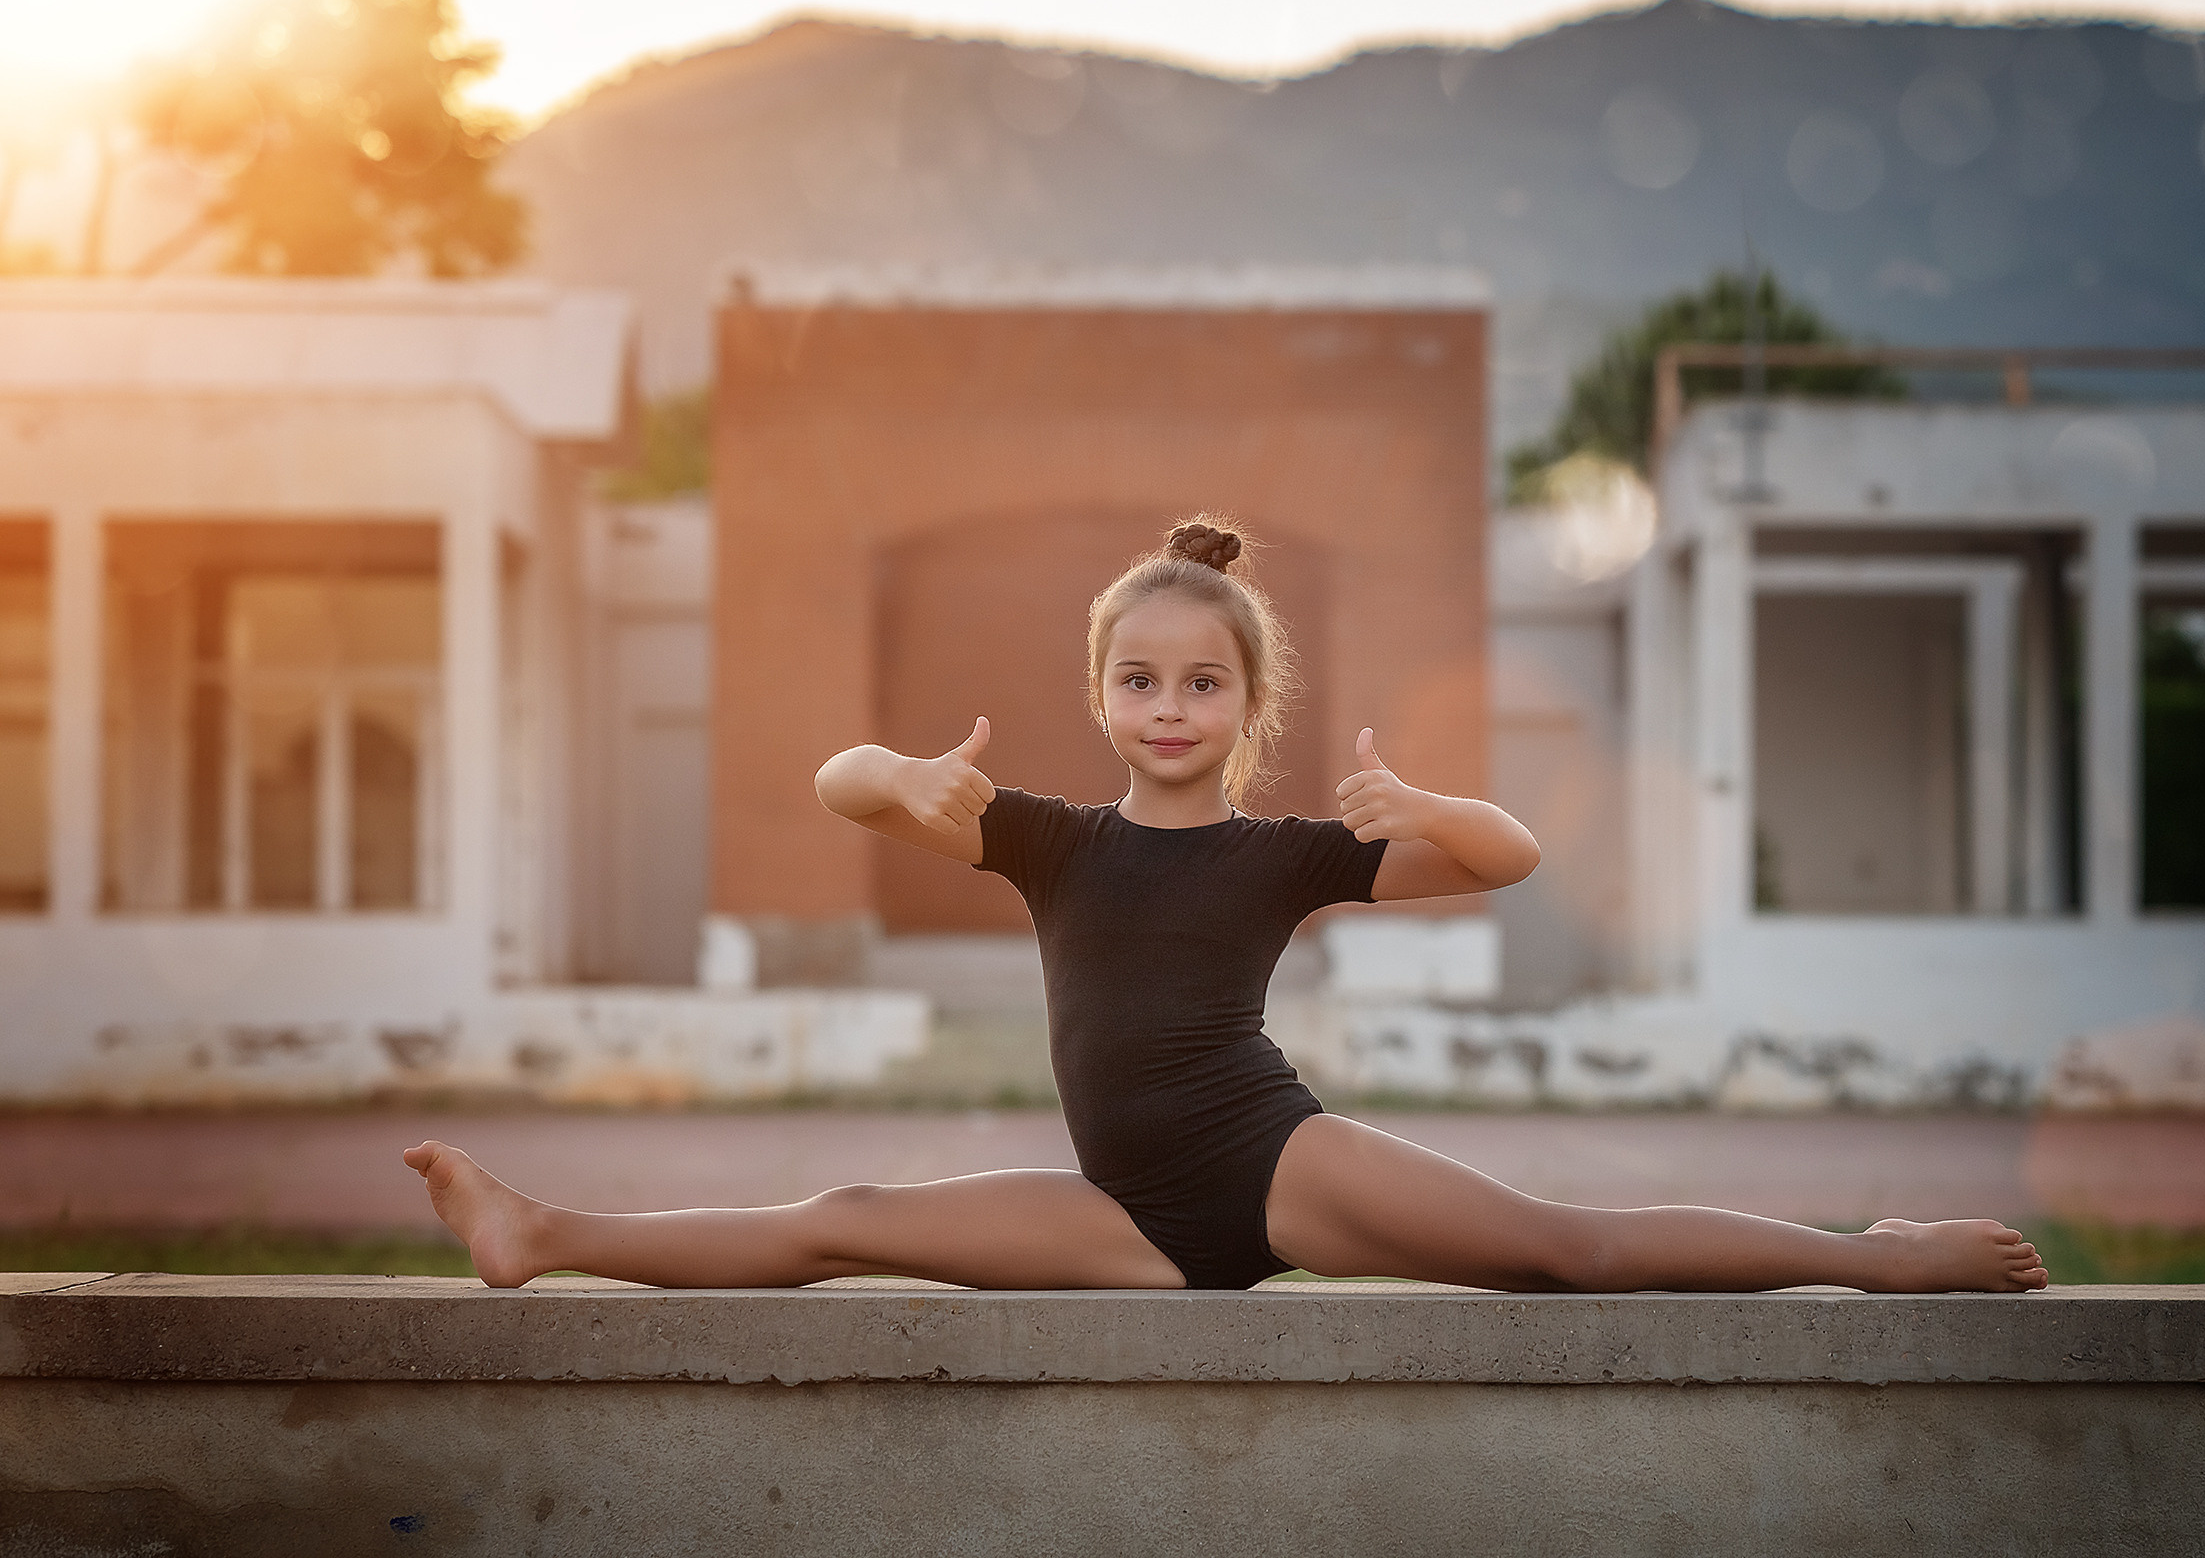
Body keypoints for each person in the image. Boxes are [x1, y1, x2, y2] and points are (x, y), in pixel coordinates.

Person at [405, 517, 2047, 1295]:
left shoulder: (1280, 854)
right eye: (1140, 678)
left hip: (1272, 1168)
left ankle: (1874, 1258)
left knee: (1567, 1249)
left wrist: (1430, 811)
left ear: (1241, 705)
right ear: (1104, 695)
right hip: (1120, 1218)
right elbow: (836, 782)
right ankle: (537, 1234)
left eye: (1202, 682)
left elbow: (1512, 862)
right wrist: (895, 777)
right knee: (846, 1215)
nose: (1169, 703)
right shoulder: (1045, 837)